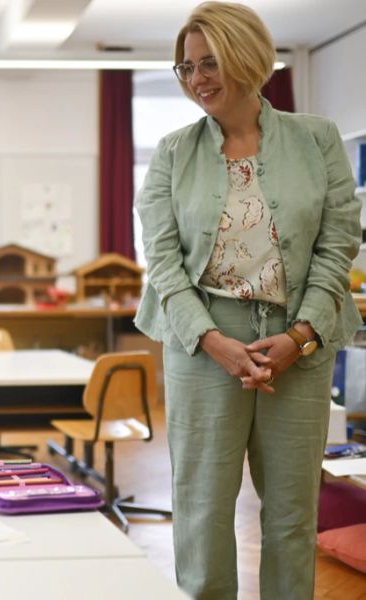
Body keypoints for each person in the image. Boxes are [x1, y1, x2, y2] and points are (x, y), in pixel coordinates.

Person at [134, 2, 363, 598]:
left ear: (249, 58)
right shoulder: (173, 152)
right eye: (186, 68)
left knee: (291, 512)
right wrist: (214, 342)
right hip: (202, 339)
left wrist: (301, 336)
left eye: (210, 63)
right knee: (203, 507)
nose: (197, 79)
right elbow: (162, 263)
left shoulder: (317, 140)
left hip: (300, 338)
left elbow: (338, 247)